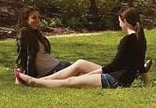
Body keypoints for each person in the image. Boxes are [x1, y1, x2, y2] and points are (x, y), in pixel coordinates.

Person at [17, 7, 147, 89]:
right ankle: (41, 80)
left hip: (115, 79)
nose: (119, 24)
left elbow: (114, 66)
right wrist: (146, 83)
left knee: (71, 80)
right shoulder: (140, 38)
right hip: (120, 77)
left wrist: (90, 74)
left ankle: (36, 82)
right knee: (80, 63)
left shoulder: (127, 40)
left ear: (125, 21)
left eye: (119, 21)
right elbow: (140, 65)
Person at [13, 7, 99, 84]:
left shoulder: (35, 33)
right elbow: (21, 55)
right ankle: (110, 73)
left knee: (87, 70)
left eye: (39, 17)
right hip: (53, 71)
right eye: (34, 18)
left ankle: (110, 73)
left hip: (58, 66)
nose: (38, 20)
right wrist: (19, 74)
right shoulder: (24, 33)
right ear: (25, 20)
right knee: (84, 69)